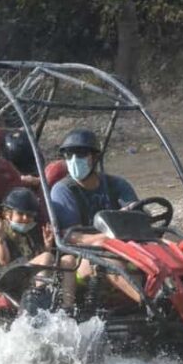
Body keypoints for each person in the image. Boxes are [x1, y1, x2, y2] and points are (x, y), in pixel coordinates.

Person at [49, 128, 142, 304]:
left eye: (81, 154)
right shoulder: (64, 190)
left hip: (126, 250)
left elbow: (137, 214)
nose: (74, 160)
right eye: (69, 155)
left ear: (95, 158)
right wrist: (104, 239)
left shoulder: (117, 185)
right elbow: (69, 236)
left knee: (170, 245)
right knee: (109, 262)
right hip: (82, 259)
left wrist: (129, 218)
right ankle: (151, 302)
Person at [0, 187, 76, 308]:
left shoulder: (33, 231)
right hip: (11, 277)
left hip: (30, 274)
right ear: (8, 214)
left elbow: (41, 259)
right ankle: (40, 302)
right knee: (47, 256)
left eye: (29, 215)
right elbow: (3, 260)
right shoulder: (3, 230)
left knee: (69, 259)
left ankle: (67, 307)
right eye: (20, 214)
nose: (25, 218)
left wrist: (48, 245)